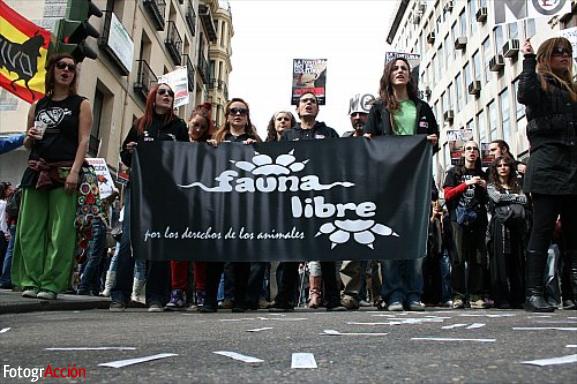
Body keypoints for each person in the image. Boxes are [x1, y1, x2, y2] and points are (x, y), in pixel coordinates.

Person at [11, 54, 91, 300]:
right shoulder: (38, 105)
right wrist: (29, 137)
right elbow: (27, 143)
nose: (66, 70)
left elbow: (84, 139)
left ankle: (51, 284)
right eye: (61, 66)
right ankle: (30, 280)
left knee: (61, 231)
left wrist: (75, 171)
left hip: (64, 170)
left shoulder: (81, 104)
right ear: (52, 71)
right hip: (36, 170)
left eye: (71, 68)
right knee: (29, 230)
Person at [363, 57, 439, 311]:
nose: (400, 72)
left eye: (404, 69)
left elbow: (435, 143)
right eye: (395, 68)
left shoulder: (422, 107)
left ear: (410, 76)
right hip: (387, 182)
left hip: (417, 180)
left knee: (416, 237)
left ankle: (414, 293)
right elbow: (368, 141)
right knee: (389, 238)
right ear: (388, 74)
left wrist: (430, 141)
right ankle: (393, 293)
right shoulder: (378, 108)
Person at [110, 83, 188, 312]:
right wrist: (130, 149)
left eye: (170, 93)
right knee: (129, 241)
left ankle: (156, 297)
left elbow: (186, 156)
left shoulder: (179, 126)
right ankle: (119, 295)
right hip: (140, 190)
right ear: (153, 98)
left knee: (161, 241)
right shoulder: (140, 124)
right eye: (162, 92)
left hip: (166, 192)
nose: (167, 96)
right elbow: (125, 155)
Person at [518, 37, 577, 312]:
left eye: (568, 51)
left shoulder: (573, 89)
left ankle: (572, 294)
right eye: (558, 52)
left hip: (572, 165)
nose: (564, 56)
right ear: (547, 56)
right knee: (541, 231)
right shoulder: (539, 82)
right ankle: (534, 293)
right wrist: (528, 60)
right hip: (546, 164)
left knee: (574, 233)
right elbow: (524, 95)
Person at [273, 92, 345, 312]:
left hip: (322, 201)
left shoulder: (329, 133)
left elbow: (341, 160)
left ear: (318, 108)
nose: (308, 104)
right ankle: (283, 300)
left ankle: (333, 300)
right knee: (291, 252)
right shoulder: (287, 135)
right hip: (294, 201)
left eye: (313, 101)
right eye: (304, 101)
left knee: (326, 251)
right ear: (297, 109)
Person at [201, 98, 262, 313]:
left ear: (247, 116)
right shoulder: (216, 140)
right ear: (226, 116)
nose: (238, 114)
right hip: (220, 205)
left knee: (242, 254)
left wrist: (256, 149)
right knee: (215, 253)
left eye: (242, 111)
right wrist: (208, 149)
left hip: (245, 207)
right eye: (233, 111)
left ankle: (239, 300)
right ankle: (209, 300)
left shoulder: (254, 140)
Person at [166, 103, 213, 311]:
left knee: (201, 250)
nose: (198, 130)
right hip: (178, 203)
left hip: (202, 205)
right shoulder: (176, 145)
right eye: (195, 125)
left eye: (203, 127)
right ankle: (178, 292)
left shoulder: (211, 148)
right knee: (178, 247)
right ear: (188, 123)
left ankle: (201, 292)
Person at [339, 93, 376, 309]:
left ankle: (379, 295)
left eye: (363, 114)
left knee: (376, 251)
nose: (359, 118)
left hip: (375, 198)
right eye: (355, 114)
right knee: (350, 250)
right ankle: (350, 293)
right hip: (350, 202)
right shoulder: (344, 138)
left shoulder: (380, 138)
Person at [443, 141, 489, 309]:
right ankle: (458, 295)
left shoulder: (483, 174)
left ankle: (476, 295)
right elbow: (447, 195)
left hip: (478, 220)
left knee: (477, 258)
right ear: (462, 153)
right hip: (458, 220)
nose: (471, 152)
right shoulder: (454, 173)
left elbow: (488, 201)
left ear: (478, 154)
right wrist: (466, 184)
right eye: (468, 149)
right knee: (458, 258)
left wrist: (485, 188)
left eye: (475, 149)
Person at [487, 156, 528, 309]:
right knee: (500, 261)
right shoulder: (492, 185)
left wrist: (511, 197)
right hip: (500, 224)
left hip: (517, 224)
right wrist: (514, 197)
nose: (503, 168)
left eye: (506, 165)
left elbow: (524, 199)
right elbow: (496, 198)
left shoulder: (517, 183)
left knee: (517, 260)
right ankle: (501, 298)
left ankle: (518, 297)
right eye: (499, 165)